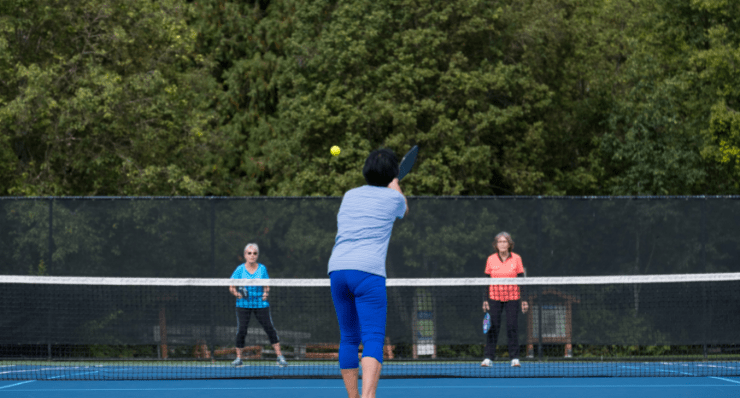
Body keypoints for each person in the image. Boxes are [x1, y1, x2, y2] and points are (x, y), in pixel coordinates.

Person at [328, 148, 408, 398]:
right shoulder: (393, 198)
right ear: (392, 173)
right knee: (373, 337)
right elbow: (404, 209)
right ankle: (367, 397)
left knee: (349, 338)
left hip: (337, 270)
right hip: (368, 273)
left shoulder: (349, 195)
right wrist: (396, 184)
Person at [229, 243, 288, 367]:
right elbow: (231, 286)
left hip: (260, 304)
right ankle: (238, 358)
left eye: (254, 253)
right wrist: (238, 295)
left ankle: (280, 357)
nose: (252, 255)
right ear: (245, 255)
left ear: (257, 255)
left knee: (269, 329)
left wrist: (266, 293)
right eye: (249, 253)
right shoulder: (240, 269)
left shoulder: (262, 269)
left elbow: (266, 284)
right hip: (243, 304)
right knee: (242, 330)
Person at [481, 231, 529, 368]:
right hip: (494, 297)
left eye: (504, 241)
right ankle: (488, 358)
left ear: (509, 244)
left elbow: (522, 280)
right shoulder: (490, 259)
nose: (502, 244)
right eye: (499, 242)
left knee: (512, 326)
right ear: (496, 245)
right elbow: (485, 281)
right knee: (493, 327)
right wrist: (485, 300)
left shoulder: (517, 258)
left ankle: (514, 358)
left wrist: (524, 300)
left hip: (513, 297)